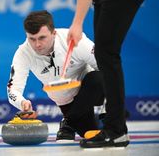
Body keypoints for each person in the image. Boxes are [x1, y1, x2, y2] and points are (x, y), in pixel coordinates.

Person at [67, 0, 153, 148]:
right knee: (103, 53)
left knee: (106, 52)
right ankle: (115, 126)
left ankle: (116, 130)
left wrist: (77, 23)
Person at [7, 10, 105, 142]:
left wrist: (108, 107)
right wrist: (22, 102)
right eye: (32, 39)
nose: (37, 45)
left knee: (99, 79)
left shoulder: (74, 39)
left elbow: (106, 68)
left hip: (89, 88)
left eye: (42, 38)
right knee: (88, 131)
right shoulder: (23, 53)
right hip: (66, 100)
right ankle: (74, 120)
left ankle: (68, 123)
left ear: (54, 33)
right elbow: (12, 89)